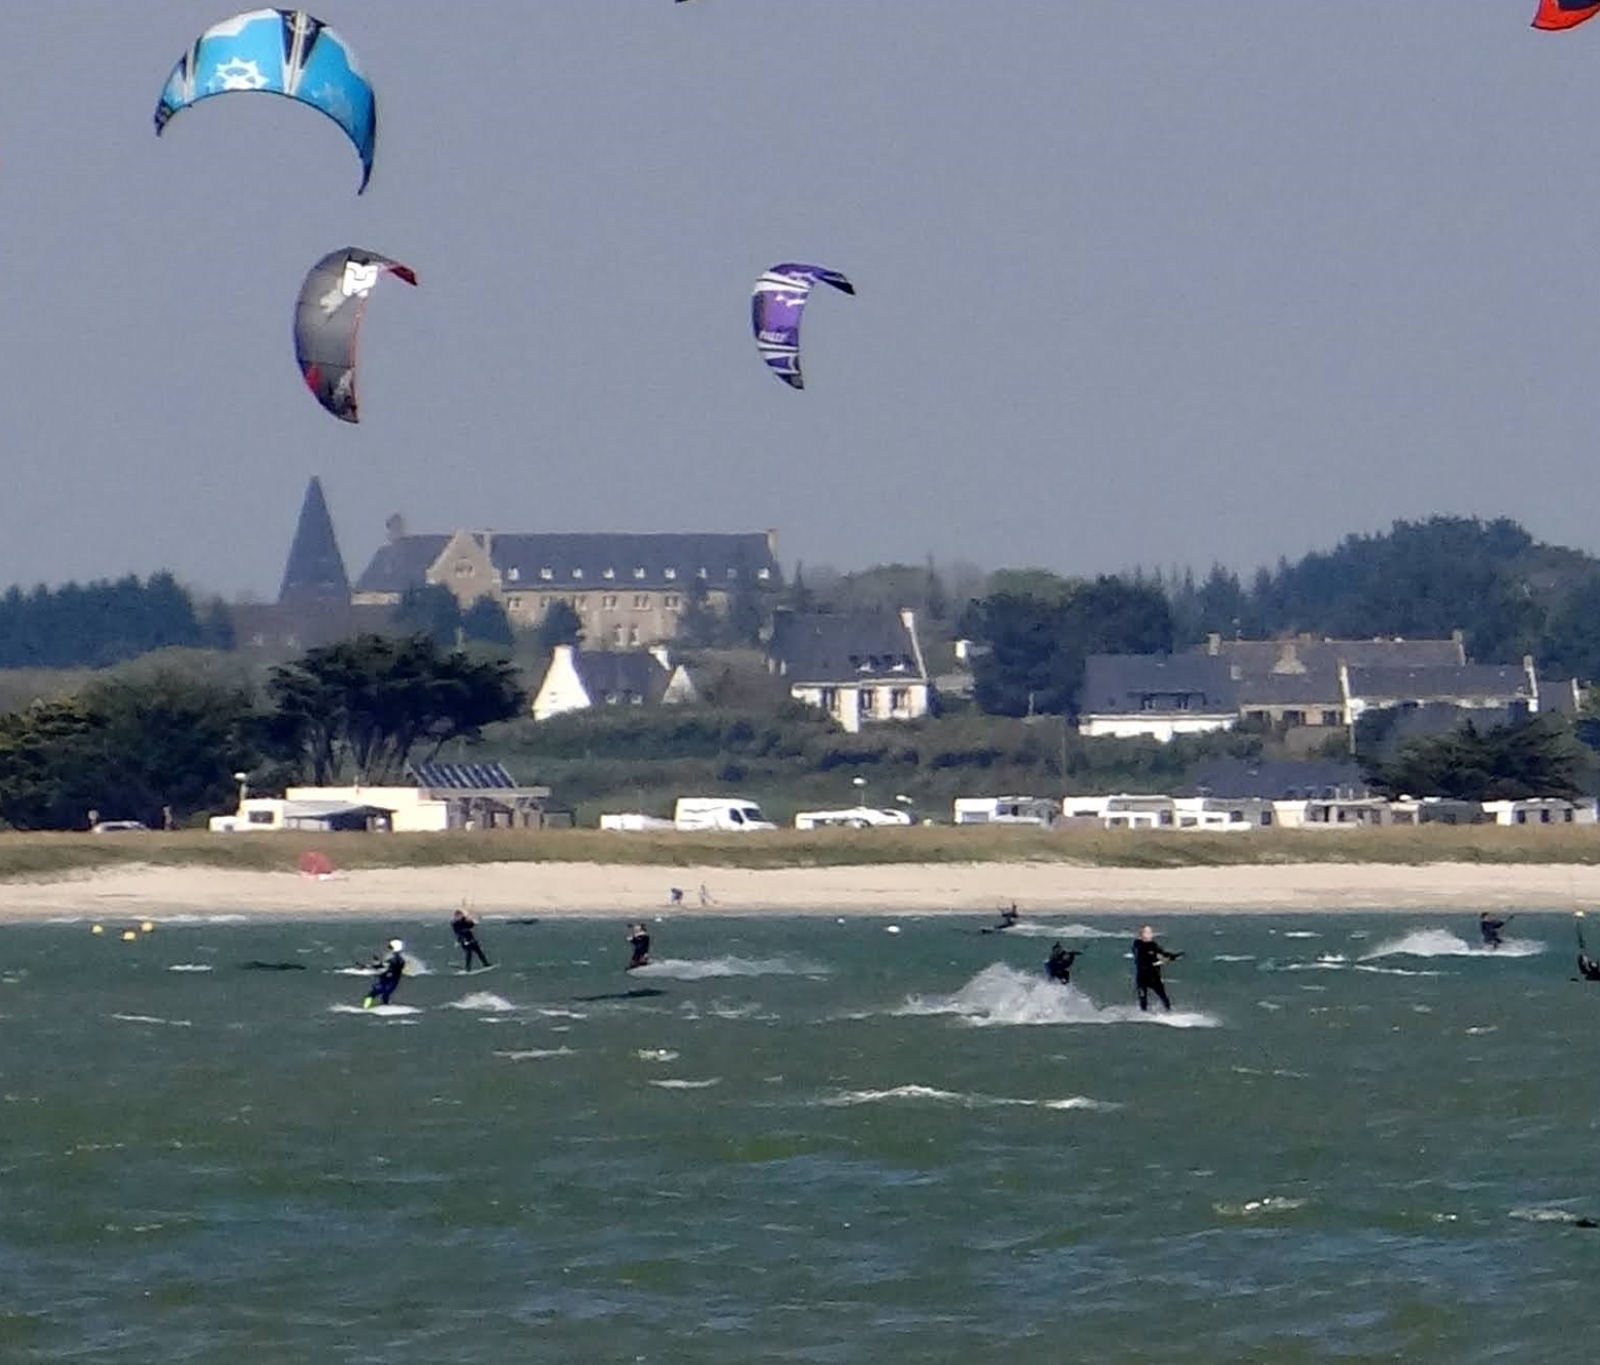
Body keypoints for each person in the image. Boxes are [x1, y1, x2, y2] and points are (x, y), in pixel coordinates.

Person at [1132, 925, 1182, 1012]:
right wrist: (1157, 961)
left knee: (1164, 997)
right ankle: (1143, 1015)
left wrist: (1173, 957)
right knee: (1143, 999)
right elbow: (1142, 957)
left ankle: (1169, 1013)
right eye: (1147, 932)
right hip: (1142, 977)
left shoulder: (1153, 945)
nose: (1150, 934)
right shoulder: (1137, 945)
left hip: (1154, 977)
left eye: (1151, 932)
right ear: (1142, 934)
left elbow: (1162, 953)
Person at [364, 938, 406, 1007]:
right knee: (384, 997)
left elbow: (383, 966)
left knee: (371, 995)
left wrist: (372, 966)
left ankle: (365, 1008)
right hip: (391, 983)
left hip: (387, 983)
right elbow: (385, 966)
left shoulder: (394, 960)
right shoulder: (399, 960)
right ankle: (386, 1007)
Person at [451, 906, 490, 971]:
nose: (460, 916)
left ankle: (485, 963)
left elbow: (470, 925)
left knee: (479, 951)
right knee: (468, 954)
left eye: (461, 915)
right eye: (458, 916)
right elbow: (459, 931)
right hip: (463, 940)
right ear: (456, 916)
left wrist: (473, 922)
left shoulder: (465, 920)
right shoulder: (455, 923)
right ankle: (468, 968)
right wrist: (467, 929)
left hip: (471, 938)